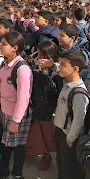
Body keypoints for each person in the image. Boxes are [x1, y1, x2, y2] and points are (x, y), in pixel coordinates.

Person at [0, 32, 33, 179]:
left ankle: (17, 174)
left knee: (18, 146)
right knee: (5, 144)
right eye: (1, 43)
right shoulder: (4, 64)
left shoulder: (22, 69)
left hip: (17, 115)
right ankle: (4, 171)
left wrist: (16, 120)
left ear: (15, 48)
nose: (0, 46)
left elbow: (23, 97)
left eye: (4, 44)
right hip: (4, 112)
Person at [53, 50, 89, 179]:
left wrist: (70, 139)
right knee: (61, 165)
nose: (59, 67)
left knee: (70, 170)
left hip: (68, 136)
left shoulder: (79, 93)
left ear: (75, 69)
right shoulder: (67, 84)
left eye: (63, 65)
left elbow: (79, 120)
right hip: (60, 131)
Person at [25, 40, 58, 171]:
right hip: (33, 100)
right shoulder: (34, 60)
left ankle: (46, 155)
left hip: (47, 105)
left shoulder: (56, 67)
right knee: (33, 130)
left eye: (42, 55)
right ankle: (32, 150)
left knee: (45, 131)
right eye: (38, 54)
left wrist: (51, 67)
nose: (39, 57)